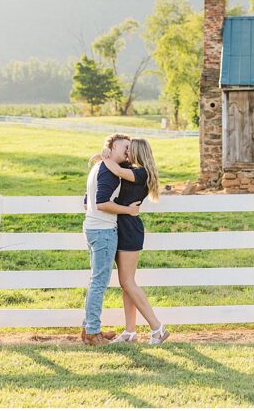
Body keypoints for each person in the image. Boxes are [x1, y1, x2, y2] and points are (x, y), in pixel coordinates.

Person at [92, 137, 169, 344]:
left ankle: (157, 328)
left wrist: (104, 156)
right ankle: (130, 332)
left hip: (129, 229)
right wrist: (104, 154)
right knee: (126, 284)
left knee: (127, 282)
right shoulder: (133, 169)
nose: (126, 153)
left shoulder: (141, 173)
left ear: (137, 152)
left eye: (129, 150)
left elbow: (115, 171)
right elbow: (117, 167)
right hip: (122, 226)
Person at [81, 133, 141, 346]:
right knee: (99, 282)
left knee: (95, 280)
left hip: (92, 227)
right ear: (112, 147)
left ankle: (89, 327)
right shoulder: (109, 171)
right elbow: (102, 203)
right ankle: (93, 333)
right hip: (103, 231)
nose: (128, 152)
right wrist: (128, 210)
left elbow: (87, 203)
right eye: (125, 147)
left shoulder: (98, 166)